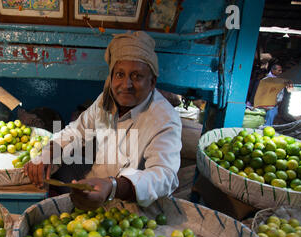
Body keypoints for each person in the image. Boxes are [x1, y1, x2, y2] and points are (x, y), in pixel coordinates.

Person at [24, 31, 182, 211]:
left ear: (152, 82)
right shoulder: (106, 100)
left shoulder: (164, 119)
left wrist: (113, 186)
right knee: (60, 166)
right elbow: (76, 131)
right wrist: (46, 154)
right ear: (112, 76)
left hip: (133, 206)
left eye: (137, 76)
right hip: (96, 183)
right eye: (120, 74)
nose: (126, 85)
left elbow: (164, 175)